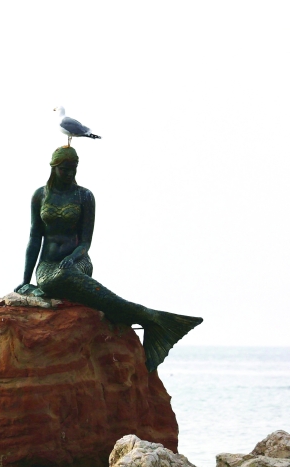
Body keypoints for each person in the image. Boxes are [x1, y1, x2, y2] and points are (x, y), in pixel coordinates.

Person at [19, 145, 201, 372]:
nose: (70, 174)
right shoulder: (40, 195)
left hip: (78, 262)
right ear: (54, 168)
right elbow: (34, 238)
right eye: (65, 169)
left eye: (74, 169)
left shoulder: (85, 196)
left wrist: (74, 257)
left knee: (67, 275)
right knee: (55, 280)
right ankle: (148, 317)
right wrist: (26, 280)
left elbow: (85, 242)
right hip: (48, 266)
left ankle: (147, 318)